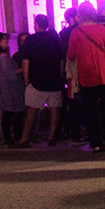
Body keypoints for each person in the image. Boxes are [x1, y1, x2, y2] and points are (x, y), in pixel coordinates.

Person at [67, 1, 105, 153]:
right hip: (103, 73)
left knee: (90, 110)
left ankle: (96, 143)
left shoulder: (75, 32)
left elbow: (71, 55)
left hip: (86, 74)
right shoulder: (101, 28)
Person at [12, 14, 64, 148]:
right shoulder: (54, 39)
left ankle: (25, 138)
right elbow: (61, 60)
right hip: (54, 79)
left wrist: (26, 80)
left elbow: (25, 61)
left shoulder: (31, 40)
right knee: (54, 108)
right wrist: (60, 76)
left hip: (36, 79)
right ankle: (52, 136)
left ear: (36, 24)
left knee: (31, 110)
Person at [0, 32, 26, 145]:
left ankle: (9, 138)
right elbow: (10, 74)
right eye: (3, 39)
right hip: (9, 90)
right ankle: (15, 137)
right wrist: (23, 69)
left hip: (4, 90)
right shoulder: (3, 57)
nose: (6, 41)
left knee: (7, 115)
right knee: (13, 114)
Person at [59, 7, 84, 145]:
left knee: (73, 101)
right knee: (80, 102)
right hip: (79, 71)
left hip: (69, 73)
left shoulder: (63, 34)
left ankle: (75, 133)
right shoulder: (78, 31)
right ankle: (78, 133)